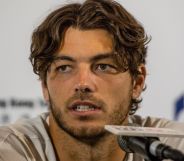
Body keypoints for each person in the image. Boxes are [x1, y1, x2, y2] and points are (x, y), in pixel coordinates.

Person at [0, 0, 184, 161]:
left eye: (103, 66)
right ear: (45, 86)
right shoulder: (7, 150)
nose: (83, 84)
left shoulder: (174, 147)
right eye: (64, 68)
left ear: (137, 82)